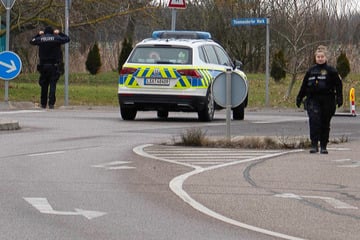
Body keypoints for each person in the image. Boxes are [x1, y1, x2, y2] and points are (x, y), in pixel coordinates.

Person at [296, 45, 343, 154]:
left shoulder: (331, 71)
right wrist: (299, 97)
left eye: (322, 56)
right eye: (318, 57)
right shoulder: (311, 71)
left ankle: (323, 145)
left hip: (328, 99)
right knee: (314, 121)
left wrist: (339, 98)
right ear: (315, 57)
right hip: (313, 99)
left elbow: (338, 85)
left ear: (326, 57)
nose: (320, 58)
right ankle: (314, 144)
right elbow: (304, 86)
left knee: (324, 123)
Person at [30, 26, 70, 109]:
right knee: (52, 84)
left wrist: (38, 34)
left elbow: (32, 41)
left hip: (43, 66)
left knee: (44, 85)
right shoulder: (56, 38)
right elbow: (67, 38)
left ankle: (43, 103)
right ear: (52, 32)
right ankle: (51, 103)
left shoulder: (41, 39)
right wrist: (59, 33)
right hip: (54, 66)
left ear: (44, 32)